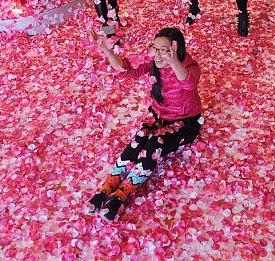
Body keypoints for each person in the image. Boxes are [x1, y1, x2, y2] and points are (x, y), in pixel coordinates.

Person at [87, 27, 203, 222]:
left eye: (163, 50)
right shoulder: (154, 66)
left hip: (185, 123)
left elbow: (188, 83)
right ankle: (106, 189)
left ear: (176, 50)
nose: (157, 55)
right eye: (155, 49)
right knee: (137, 142)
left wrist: (173, 61)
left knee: (153, 146)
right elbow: (127, 71)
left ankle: (121, 195)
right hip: (158, 117)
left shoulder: (190, 67)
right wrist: (107, 51)